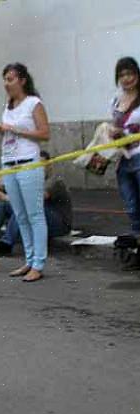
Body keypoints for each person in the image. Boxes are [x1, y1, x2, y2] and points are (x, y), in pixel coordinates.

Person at [0, 63, 51, 282]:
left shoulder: (33, 103)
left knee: (35, 214)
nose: (7, 84)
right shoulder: (8, 107)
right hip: (9, 162)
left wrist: (14, 129)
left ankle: (38, 263)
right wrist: (4, 131)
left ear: (22, 80)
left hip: (28, 162)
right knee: (20, 215)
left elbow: (45, 133)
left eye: (10, 79)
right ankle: (29, 259)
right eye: (5, 79)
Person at [0, 151, 72, 256]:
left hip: (59, 223)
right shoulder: (32, 179)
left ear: (49, 165)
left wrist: (5, 197)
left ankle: (6, 244)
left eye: (41, 164)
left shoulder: (55, 181)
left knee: (25, 208)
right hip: (39, 218)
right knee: (1, 206)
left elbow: (35, 199)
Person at [110, 57, 140, 270]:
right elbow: (114, 126)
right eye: (122, 75)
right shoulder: (116, 100)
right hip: (123, 160)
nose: (126, 78)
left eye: (130, 73)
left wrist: (127, 132)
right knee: (132, 208)